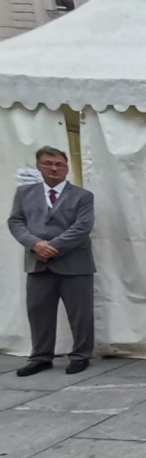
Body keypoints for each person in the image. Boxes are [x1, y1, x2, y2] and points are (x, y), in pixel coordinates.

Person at [7, 146, 95, 376]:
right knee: (38, 312)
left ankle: (81, 355)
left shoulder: (83, 196)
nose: (54, 168)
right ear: (38, 165)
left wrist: (53, 247)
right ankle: (41, 356)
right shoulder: (24, 193)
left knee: (80, 314)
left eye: (59, 164)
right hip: (37, 264)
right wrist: (34, 244)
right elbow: (16, 221)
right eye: (48, 163)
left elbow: (82, 227)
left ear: (66, 167)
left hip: (75, 264)